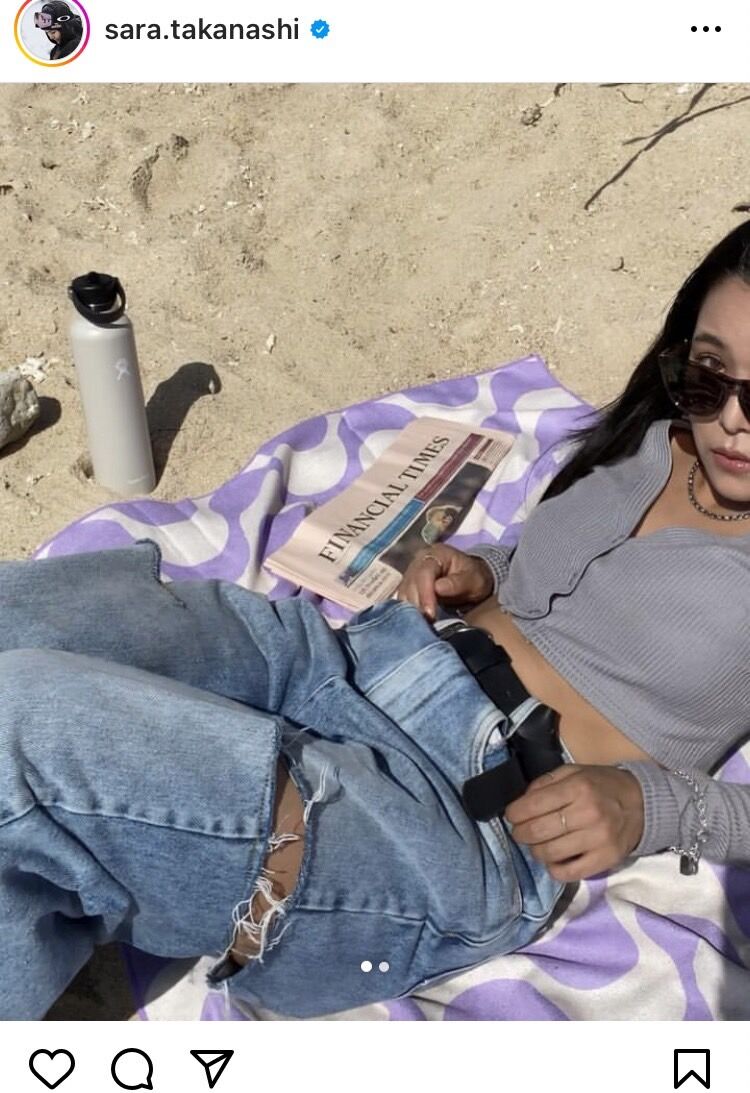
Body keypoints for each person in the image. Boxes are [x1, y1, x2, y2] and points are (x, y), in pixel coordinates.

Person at [3, 221, 750, 1021]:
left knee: (22, 723)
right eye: (709, 375)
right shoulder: (662, 437)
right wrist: (486, 570)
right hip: (357, 660)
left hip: (452, 817)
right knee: (29, 615)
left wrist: (652, 806)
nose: (732, 419)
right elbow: (574, 570)